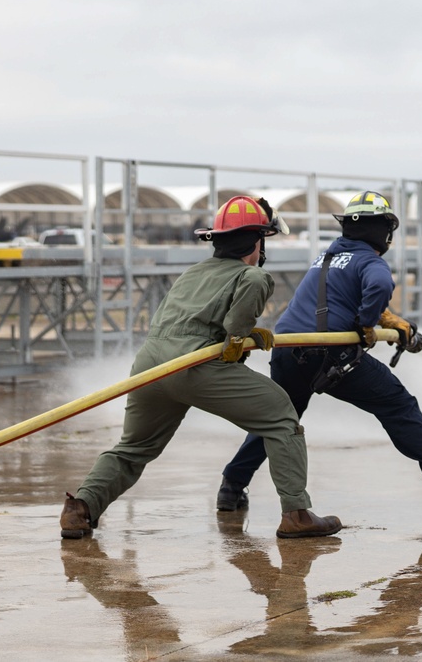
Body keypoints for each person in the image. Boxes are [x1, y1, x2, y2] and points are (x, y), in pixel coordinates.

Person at [60, 196, 341, 540]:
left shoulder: (191, 274)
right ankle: (297, 513)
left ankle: (81, 508)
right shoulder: (252, 275)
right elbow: (241, 306)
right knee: (282, 417)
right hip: (195, 365)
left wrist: (242, 335)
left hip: (150, 367)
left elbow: (187, 321)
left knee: (134, 448)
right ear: (256, 241)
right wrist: (240, 334)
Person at [216, 190, 422, 514]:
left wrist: (382, 317)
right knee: (399, 407)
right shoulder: (370, 262)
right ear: (383, 230)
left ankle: (232, 487)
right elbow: (379, 286)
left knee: (278, 421)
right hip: (330, 354)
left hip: (288, 351)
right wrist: (366, 324)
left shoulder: (327, 257)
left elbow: (340, 297)